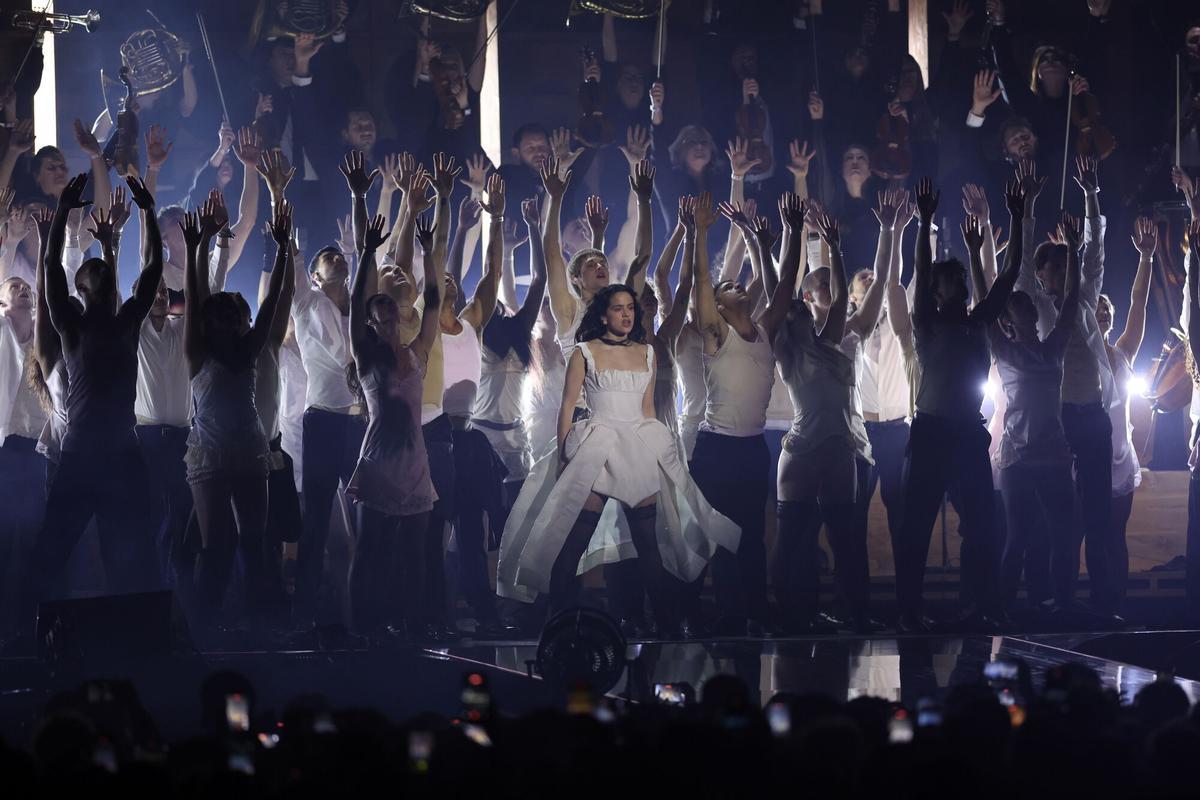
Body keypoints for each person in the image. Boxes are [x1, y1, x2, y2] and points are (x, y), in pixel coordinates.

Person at [497, 283, 739, 636]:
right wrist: (565, 454)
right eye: (618, 308)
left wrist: (657, 449)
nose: (626, 314)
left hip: (637, 446)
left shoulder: (648, 352)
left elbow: (647, 409)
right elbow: (567, 406)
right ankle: (557, 622)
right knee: (573, 542)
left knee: (649, 546)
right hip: (597, 444)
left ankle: (666, 625)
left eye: (630, 308)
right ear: (603, 314)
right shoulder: (585, 351)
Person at [21, 173, 164, 623]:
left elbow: (153, 270)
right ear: (81, 286)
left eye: (103, 267)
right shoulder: (72, 325)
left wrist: (148, 210)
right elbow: (47, 269)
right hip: (85, 454)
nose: (100, 270)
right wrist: (62, 211)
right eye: (94, 269)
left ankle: (134, 643)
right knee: (52, 552)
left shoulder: (126, 321)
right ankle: (27, 632)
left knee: (131, 557)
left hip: (118, 454)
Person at [894, 176, 1023, 632]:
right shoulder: (926, 322)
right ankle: (908, 610)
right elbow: (923, 272)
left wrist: (1018, 217)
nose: (959, 286)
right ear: (936, 292)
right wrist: (925, 219)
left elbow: (1007, 276)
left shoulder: (979, 322)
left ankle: (982, 603)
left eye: (962, 280)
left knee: (984, 526)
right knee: (916, 527)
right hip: (930, 432)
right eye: (950, 282)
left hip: (968, 433)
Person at [771, 190, 903, 633]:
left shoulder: (852, 332)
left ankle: (856, 613)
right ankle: (790, 614)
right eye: (821, 285)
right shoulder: (790, 341)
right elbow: (788, 284)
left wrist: (888, 231)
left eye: (832, 284)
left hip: (847, 444)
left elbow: (880, 282)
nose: (832, 290)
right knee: (795, 540)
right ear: (809, 296)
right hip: (806, 443)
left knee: (847, 541)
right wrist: (803, 237)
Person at [179, 197, 292, 630]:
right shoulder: (198, 352)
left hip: (246, 451)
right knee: (219, 547)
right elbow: (194, 299)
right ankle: (209, 623)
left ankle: (254, 621)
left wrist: (283, 250)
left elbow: (269, 307)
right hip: (212, 453)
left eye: (233, 318)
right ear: (212, 323)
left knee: (251, 543)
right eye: (222, 318)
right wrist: (197, 246)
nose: (230, 324)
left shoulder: (247, 349)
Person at [1019, 156, 1119, 620]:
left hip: (1092, 413)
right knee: (1053, 517)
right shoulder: (1037, 304)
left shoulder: (1082, 298)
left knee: (1098, 514)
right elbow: (1019, 266)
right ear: (1044, 275)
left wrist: (1092, 193)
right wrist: (1027, 210)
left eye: (1066, 264)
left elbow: (1096, 251)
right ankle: (1051, 599)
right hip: (1055, 420)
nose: (1064, 271)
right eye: (1055, 266)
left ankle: (1102, 604)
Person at [686, 190, 789, 636]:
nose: (737, 286)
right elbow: (701, 283)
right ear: (720, 305)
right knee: (722, 534)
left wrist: (775, 240)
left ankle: (754, 606)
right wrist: (702, 235)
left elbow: (782, 286)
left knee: (752, 533)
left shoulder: (764, 330)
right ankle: (727, 610)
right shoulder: (715, 334)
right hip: (717, 448)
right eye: (729, 288)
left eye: (738, 285)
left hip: (753, 446)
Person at [346, 205, 440, 638]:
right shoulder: (367, 356)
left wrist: (428, 251)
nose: (386, 321)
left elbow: (435, 301)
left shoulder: (417, 352)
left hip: (414, 462)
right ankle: (364, 625)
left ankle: (413, 622)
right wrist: (367, 251)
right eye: (378, 316)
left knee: (415, 553)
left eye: (391, 314)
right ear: (371, 322)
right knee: (370, 550)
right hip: (380, 461)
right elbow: (353, 303)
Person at [980, 210, 1081, 614]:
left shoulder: (1052, 347)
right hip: (1019, 456)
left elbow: (1071, 302)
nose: (1030, 309)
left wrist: (1073, 252)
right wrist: (977, 253)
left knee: (1064, 533)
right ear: (1009, 319)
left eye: (1027, 305)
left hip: (1053, 453)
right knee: (1017, 536)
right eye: (1020, 307)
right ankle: (1001, 610)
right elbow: (988, 305)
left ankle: (1065, 605)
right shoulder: (1005, 351)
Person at [289, 149, 368, 625]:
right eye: (327, 259)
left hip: (359, 424)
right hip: (321, 422)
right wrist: (279, 191)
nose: (336, 259)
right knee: (315, 522)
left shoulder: (359, 306)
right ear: (315, 277)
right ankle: (304, 613)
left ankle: (358, 610)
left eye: (339, 255)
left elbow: (367, 251)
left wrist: (359, 197)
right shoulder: (306, 304)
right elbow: (290, 254)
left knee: (366, 517)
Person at [471, 197, 548, 544]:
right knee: (485, 519)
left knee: (518, 520)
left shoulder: (519, 332)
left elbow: (539, 280)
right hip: (482, 434)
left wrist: (534, 227)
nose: (497, 304)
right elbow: (492, 270)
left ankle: (515, 587)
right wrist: (497, 221)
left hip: (516, 436)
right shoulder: (476, 333)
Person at [1096, 217, 1155, 614]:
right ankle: (1089, 605)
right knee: (1087, 534)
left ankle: (1116, 602)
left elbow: (1138, 302)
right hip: (1084, 457)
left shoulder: (1122, 353)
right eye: (1095, 308)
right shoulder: (1073, 354)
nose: (1101, 312)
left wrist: (1146, 258)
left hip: (1119, 459)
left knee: (1115, 535)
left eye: (1106, 309)